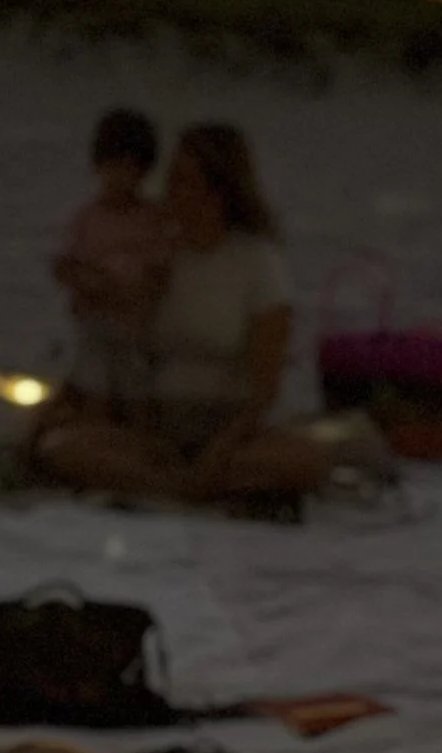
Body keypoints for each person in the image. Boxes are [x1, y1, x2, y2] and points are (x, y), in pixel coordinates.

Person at [36, 123, 333, 511]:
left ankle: (182, 484)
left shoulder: (258, 263)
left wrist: (221, 449)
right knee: (64, 447)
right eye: (172, 180)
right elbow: (111, 341)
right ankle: (181, 488)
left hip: (228, 427)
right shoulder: (156, 255)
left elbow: (266, 387)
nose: (171, 194)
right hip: (155, 430)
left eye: (185, 182)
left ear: (219, 192)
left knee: (306, 460)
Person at [52, 107, 172, 409]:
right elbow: (65, 265)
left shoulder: (154, 219)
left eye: (132, 169)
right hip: (96, 322)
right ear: (98, 167)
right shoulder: (86, 220)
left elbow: (160, 273)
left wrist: (132, 295)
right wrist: (90, 285)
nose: (122, 178)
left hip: (139, 329)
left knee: (137, 392)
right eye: (115, 167)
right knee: (94, 384)